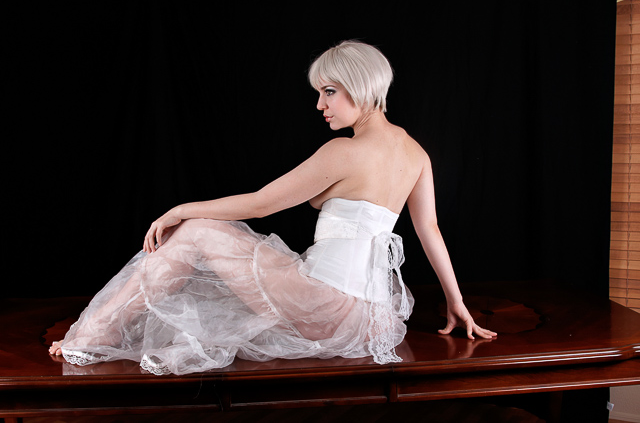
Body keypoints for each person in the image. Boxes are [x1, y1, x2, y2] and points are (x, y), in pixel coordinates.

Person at [49, 40, 496, 375]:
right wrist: (456, 303)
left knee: (196, 230)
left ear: (359, 86)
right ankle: (97, 333)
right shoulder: (417, 154)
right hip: (371, 321)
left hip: (324, 304)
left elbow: (260, 204)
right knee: (210, 247)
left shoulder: (343, 151)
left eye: (329, 91)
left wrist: (180, 209)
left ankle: (91, 336)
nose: (320, 104)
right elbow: (429, 230)